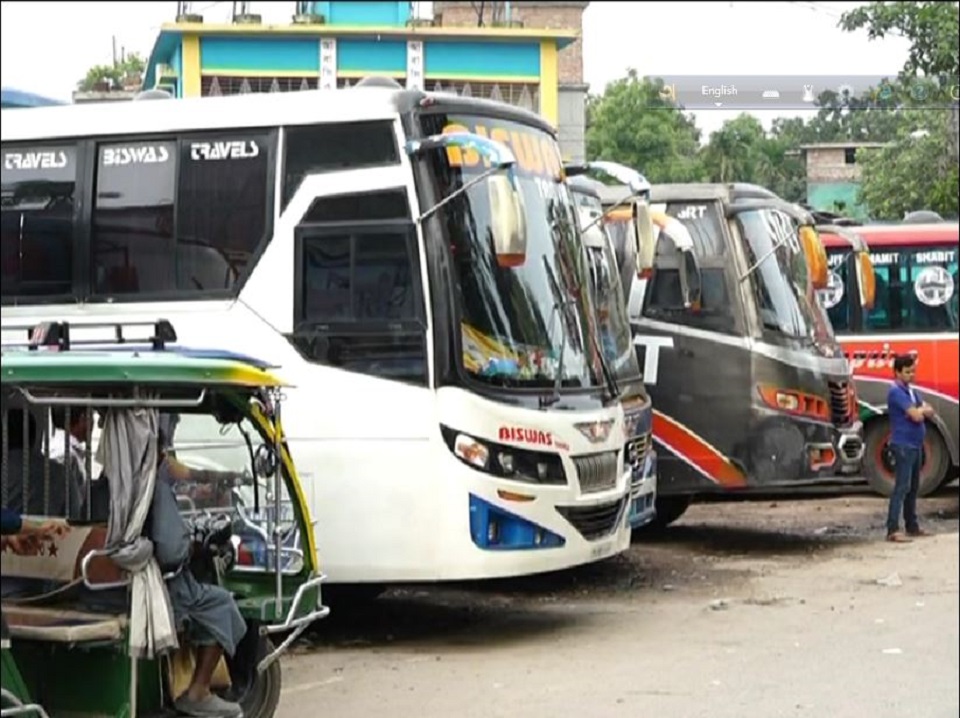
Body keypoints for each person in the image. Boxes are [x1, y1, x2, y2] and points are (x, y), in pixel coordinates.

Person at [147, 423, 246, 718]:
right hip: (168, 585)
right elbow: (169, 551)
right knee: (221, 604)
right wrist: (192, 548)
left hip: (144, 577)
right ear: (158, 453)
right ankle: (198, 691)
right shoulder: (157, 487)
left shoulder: (127, 479)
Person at [885, 354, 935, 542]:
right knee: (902, 487)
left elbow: (928, 410)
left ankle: (911, 525)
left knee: (913, 488)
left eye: (913, 371)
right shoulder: (896, 392)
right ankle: (892, 528)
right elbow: (917, 415)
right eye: (907, 372)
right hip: (903, 445)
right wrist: (919, 411)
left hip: (915, 444)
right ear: (897, 372)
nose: (911, 375)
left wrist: (919, 411)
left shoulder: (911, 391)